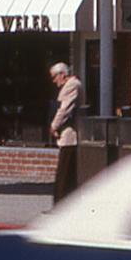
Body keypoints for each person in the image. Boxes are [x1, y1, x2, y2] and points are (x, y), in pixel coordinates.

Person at [48, 61, 82, 203]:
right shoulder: (69, 86)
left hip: (69, 135)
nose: (54, 80)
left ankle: (60, 203)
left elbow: (64, 109)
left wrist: (54, 126)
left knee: (64, 173)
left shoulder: (72, 85)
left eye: (55, 77)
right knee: (68, 173)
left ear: (63, 74)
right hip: (66, 134)